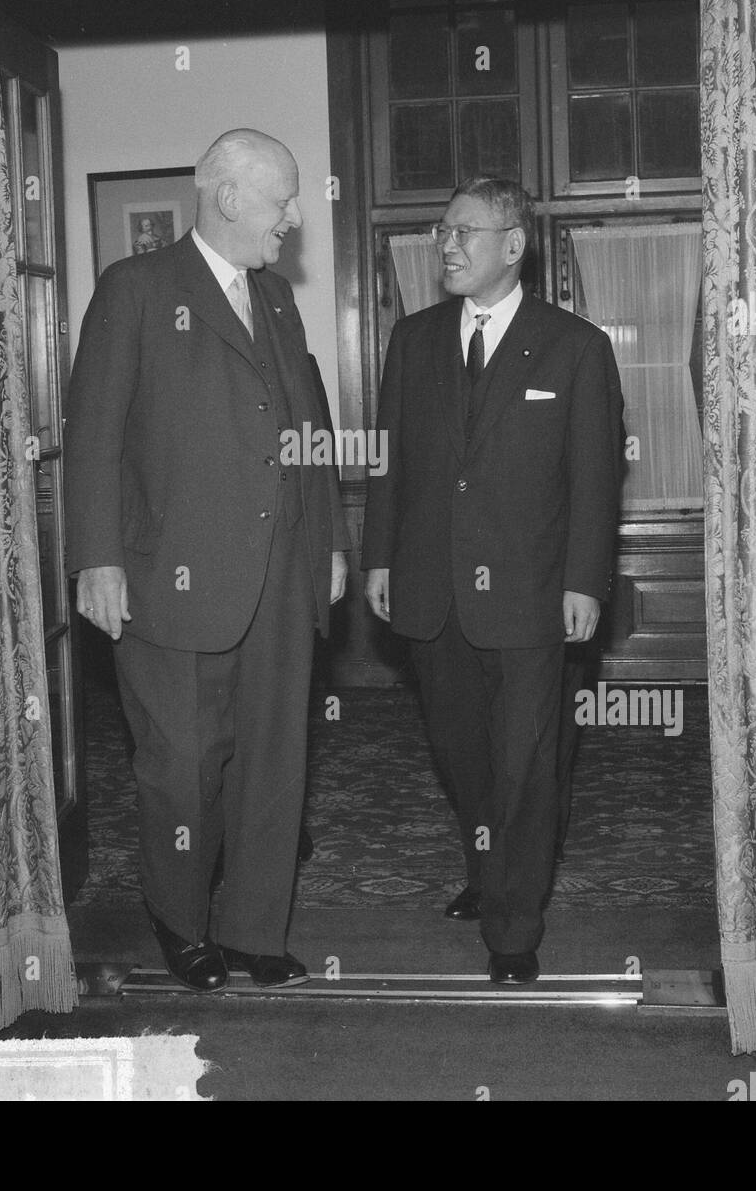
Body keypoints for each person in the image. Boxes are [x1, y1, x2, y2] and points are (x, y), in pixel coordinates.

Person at [64, 128, 349, 992]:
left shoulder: (277, 303)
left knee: (273, 765)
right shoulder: (137, 290)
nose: (294, 219)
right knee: (181, 768)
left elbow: (309, 432)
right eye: (283, 200)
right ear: (229, 196)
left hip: (280, 573)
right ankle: (181, 921)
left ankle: (257, 930)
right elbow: (96, 436)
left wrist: (330, 541)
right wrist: (96, 561)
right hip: (168, 582)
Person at [361, 176, 623, 985]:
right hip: (433, 595)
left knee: (525, 762)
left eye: (464, 232)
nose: (447, 244)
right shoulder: (413, 339)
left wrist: (584, 582)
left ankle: (514, 928)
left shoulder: (576, 347)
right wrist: (378, 557)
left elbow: (595, 479)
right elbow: (389, 464)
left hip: (533, 597)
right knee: (463, 755)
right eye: (442, 231)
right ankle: (487, 872)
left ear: (514, 245)